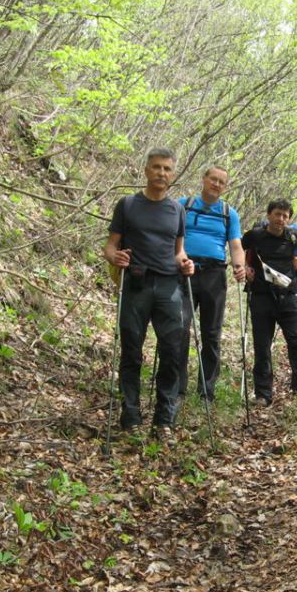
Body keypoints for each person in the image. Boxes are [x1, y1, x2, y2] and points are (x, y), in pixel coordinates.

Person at [103, 148, 194, 438]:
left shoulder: (178, 210)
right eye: (156, 167)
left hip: (169, 286)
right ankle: (130, 416)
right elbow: (110, 245)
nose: (161, 173)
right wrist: (114, 257)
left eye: (167, 169)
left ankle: (163, 419)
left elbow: (179, 250)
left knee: (172, 350)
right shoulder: (128, 205)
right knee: (131, 350)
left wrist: (186, 263)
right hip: (136, 285)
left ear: (173, 174)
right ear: (146, 170)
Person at [241, 199, 297, 406]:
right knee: (262, 346)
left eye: (285, 216)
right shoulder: (256, 235)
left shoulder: (294, 235)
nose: (281, 219)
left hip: (288, 296)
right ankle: (263, 394)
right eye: (277, 214)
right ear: (269, 215)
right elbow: (238, 245)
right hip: (261, 297)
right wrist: (244, 267)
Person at [177, 165, 245, 402]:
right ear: (203, 179)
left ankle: (207, 389)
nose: (216, 185)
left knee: (211, 332)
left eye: (221, 182)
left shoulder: (229, 213)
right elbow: (172, 236)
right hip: (184, 271)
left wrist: (239, 266)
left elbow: (236, 245)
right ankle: (177, 387)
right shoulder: (183, 205)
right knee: (180, 328)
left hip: (214, 274)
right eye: (213, 179)